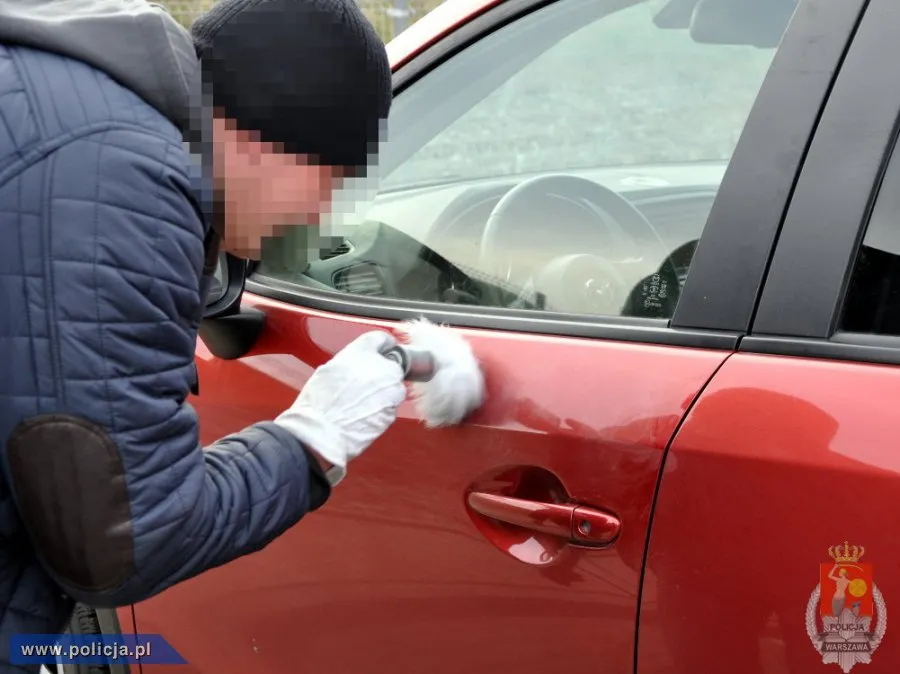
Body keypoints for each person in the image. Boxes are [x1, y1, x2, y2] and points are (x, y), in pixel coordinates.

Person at [0, 0, 398, 669]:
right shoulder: (123, 182)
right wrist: (313, 440)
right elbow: (126, 545)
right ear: (272, 139)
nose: (320, 214)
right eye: (333, 182)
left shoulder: (82, 107)